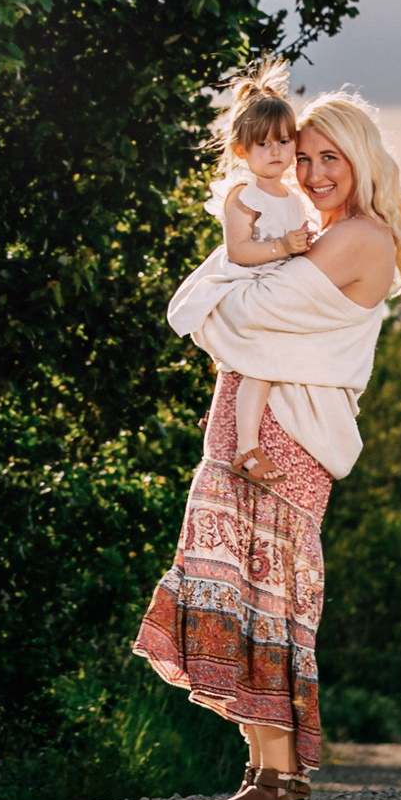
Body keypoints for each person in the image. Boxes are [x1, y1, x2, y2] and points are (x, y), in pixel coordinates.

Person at [132, 90, 401, 800]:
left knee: (268, 598)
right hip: (245, 431)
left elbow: (237, 311)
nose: (315, 171)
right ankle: (269, 775)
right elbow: (223, 306)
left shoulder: (358, 237)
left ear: (362, 160)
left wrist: (238, 285)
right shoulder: (308, 234)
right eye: (304, 157)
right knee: (245, 596)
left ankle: (281, 777)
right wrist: (242, 281)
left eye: (331, 157)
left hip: (285, 445)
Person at [163, 59, 315, 486]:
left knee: (275, 363)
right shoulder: (243, 195)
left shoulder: (290, 194)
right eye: (264, 145)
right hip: (245, 281)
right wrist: (285, 247)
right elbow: (239, 252)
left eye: (284, 142)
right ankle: (246, 449)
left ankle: (242, 431)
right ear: (242, 150)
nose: (276, 152)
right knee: (261, 365)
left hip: (275, 280)